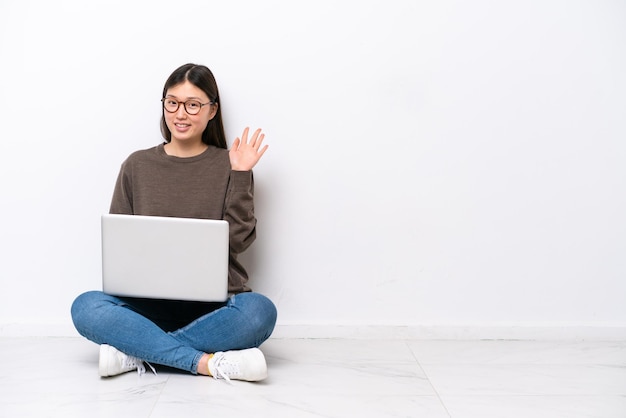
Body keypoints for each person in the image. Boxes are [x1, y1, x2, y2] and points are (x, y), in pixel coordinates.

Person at [71, 63, 277, 382]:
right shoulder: (137, 165)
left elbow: (238, 241)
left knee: (260, 312)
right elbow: (120, 246)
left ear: (212, 110)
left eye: (193, 104)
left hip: (214, 308)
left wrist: (240, 173)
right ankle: (205, 362)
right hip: (147, 308)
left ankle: (135, 352)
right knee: (86, 307)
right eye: (173, 102)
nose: (180, 114)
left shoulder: (230, 165)